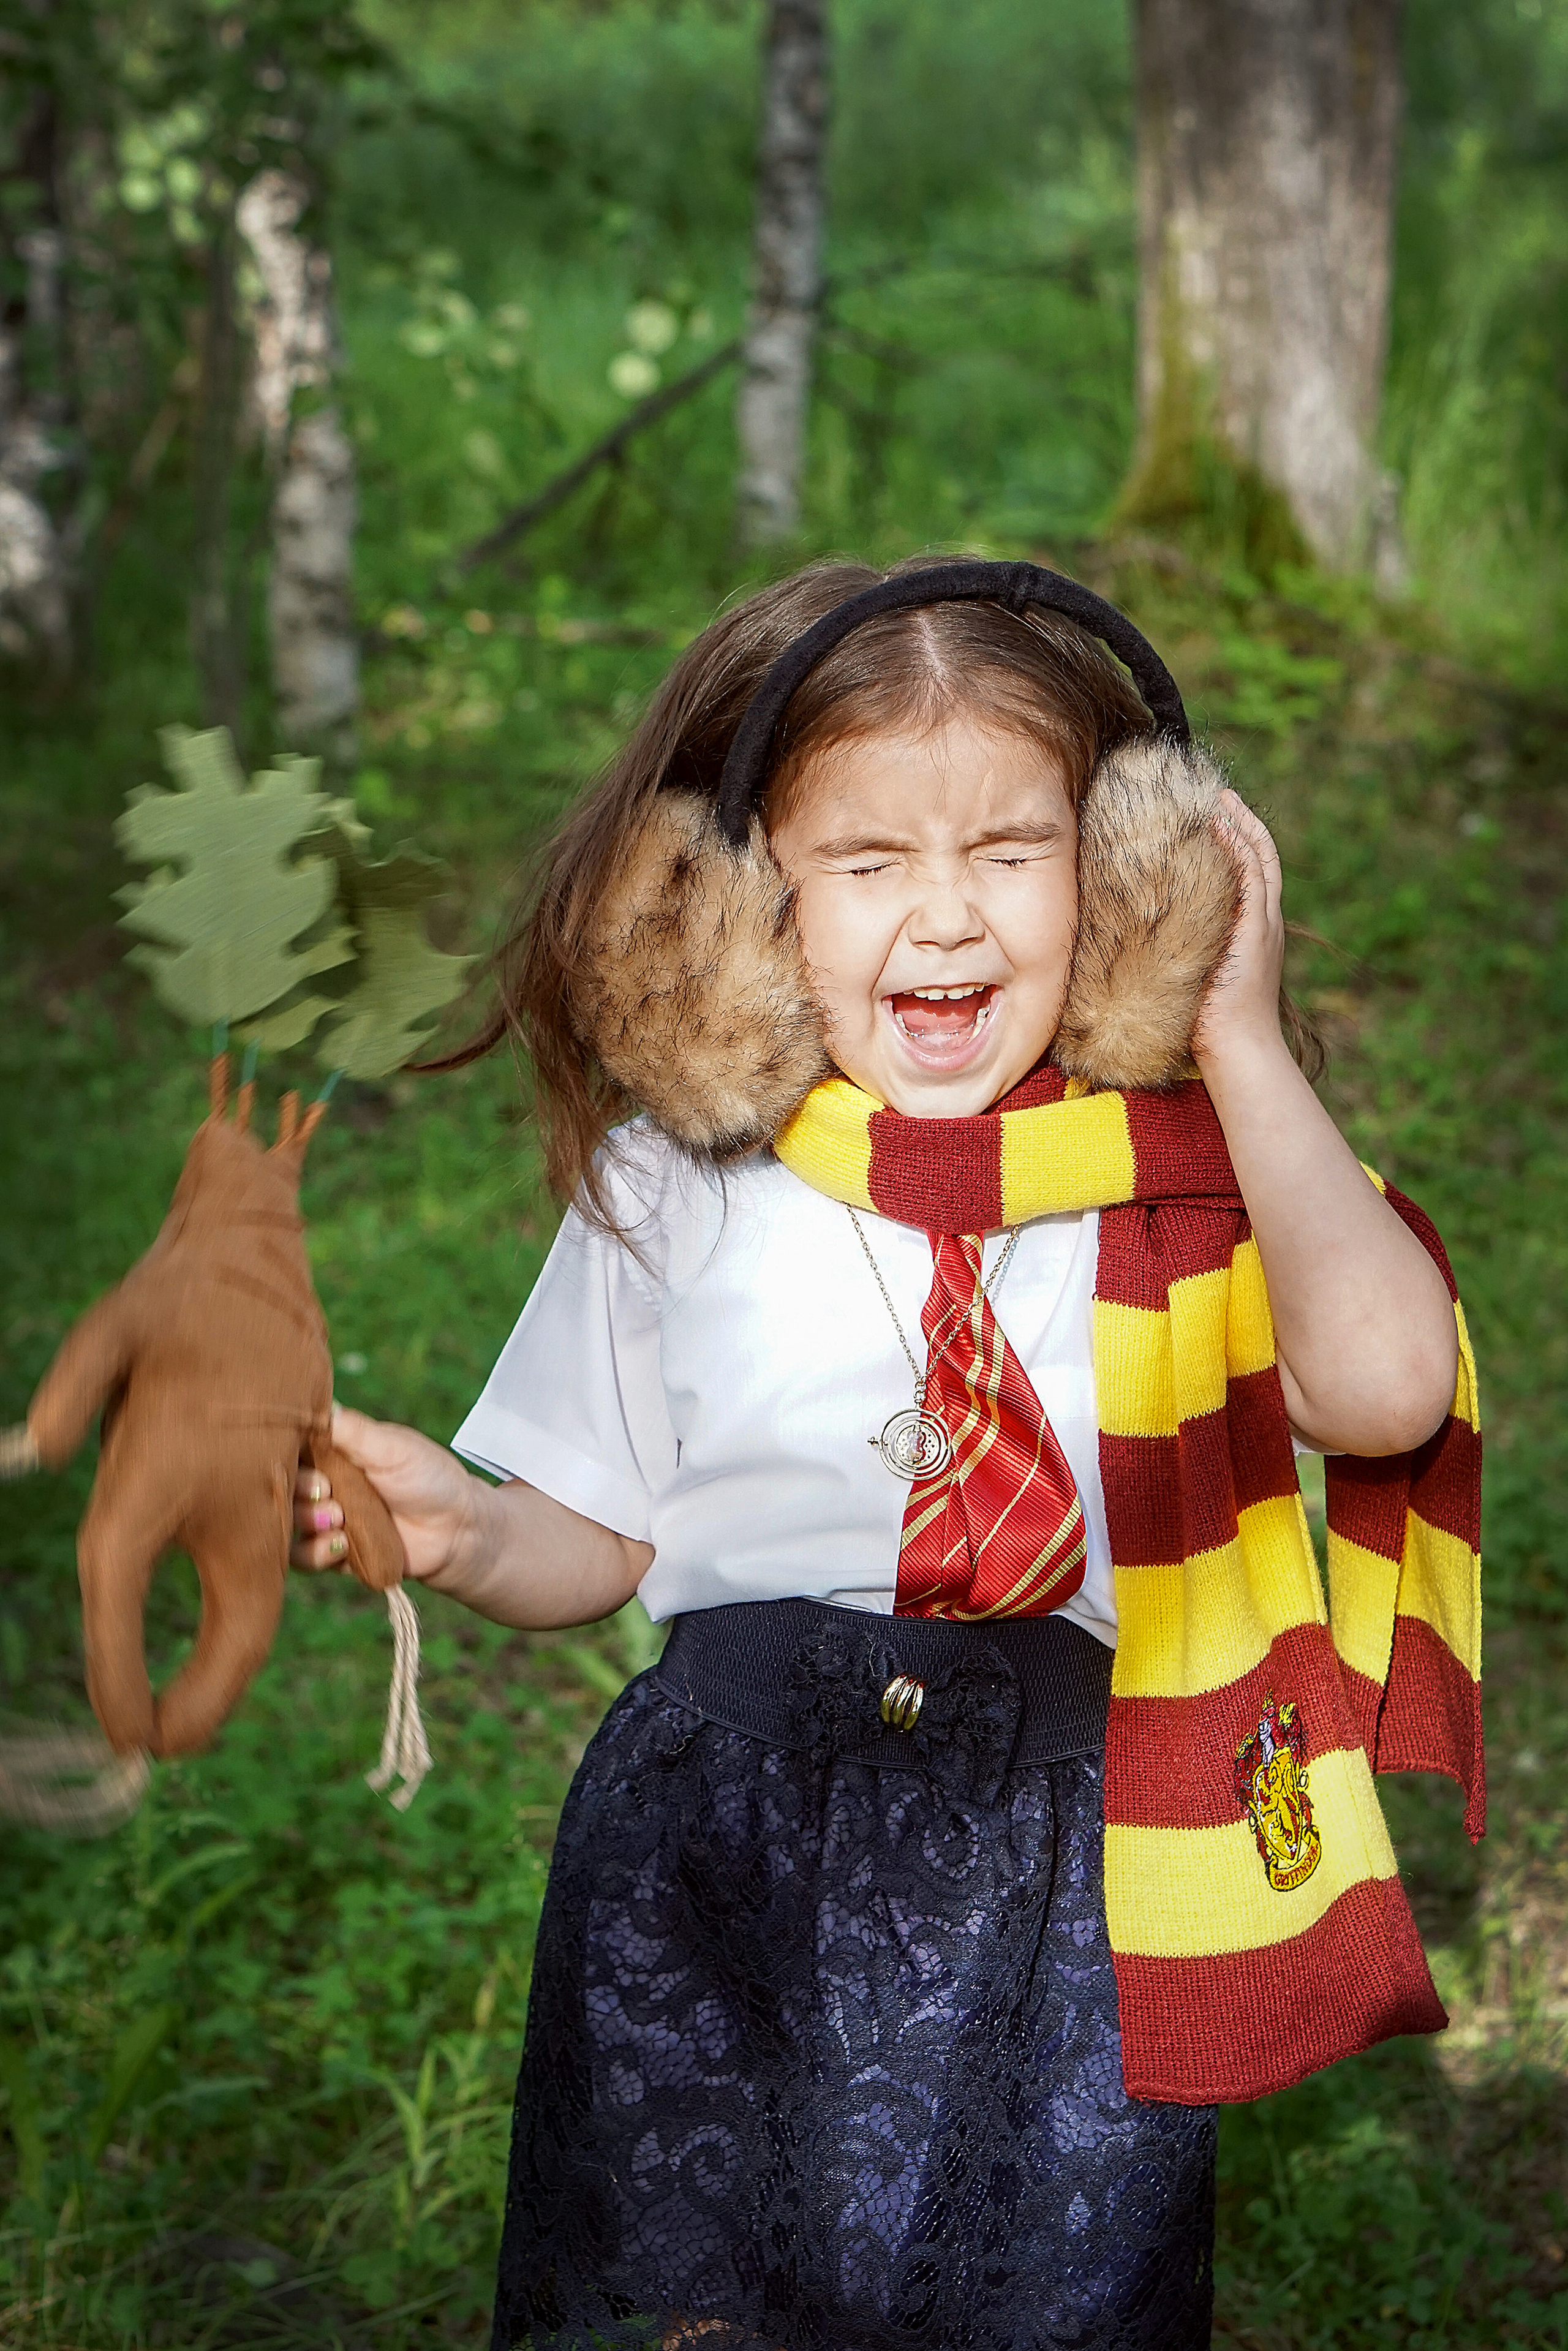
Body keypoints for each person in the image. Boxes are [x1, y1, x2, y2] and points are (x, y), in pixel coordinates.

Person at [289, 558, 1481, 2351]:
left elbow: (1388, 1390)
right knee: (683, 2300)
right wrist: (465, 1530)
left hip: (1078, 1868)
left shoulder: (1182, 1181)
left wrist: (1233, 1035)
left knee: (1047, 2305)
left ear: (1133, 882)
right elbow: (596, 1545)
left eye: (1015, 851)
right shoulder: (676, 1179)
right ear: (751, 899)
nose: (947, 920)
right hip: (718, 1841)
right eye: (867, 863)